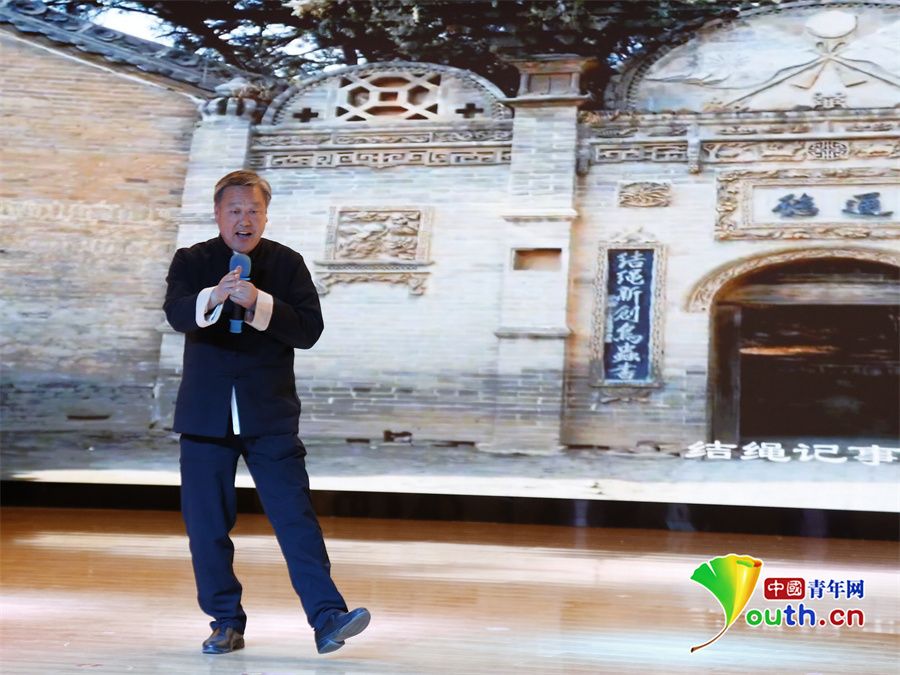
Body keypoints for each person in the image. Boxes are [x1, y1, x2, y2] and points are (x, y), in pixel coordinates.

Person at [163, 170, 369, 655]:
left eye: (254, 210)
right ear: (218, 215)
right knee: (207, 528)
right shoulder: (192, 260)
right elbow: (176, 313)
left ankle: (327, 618)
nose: (245, 219)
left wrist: (259, 302)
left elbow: (309, 330)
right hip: (204, 417)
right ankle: (225, 622)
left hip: (269, 415)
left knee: (296, 518)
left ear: (266, 216)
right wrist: (214, 296)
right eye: (235, 210)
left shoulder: (287, 263)